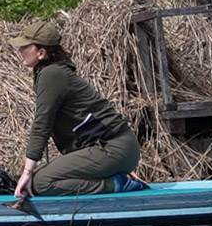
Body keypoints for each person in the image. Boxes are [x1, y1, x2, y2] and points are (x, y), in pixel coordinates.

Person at [9, 19, 145, 197]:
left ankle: (116, 184)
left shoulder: (52, 74)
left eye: (25, 47)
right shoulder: (53, 72)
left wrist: (27, 172)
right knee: (38, 178)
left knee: (40, 183)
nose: (20, 51)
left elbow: (42, 124)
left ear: (41, 53)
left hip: (115, 148)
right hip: (112, 149)